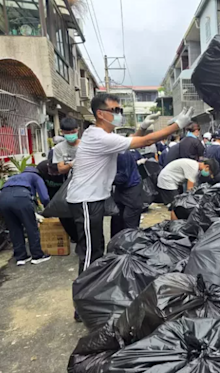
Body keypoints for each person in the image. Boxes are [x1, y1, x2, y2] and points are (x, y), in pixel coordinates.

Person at [66, 93, 193, 277]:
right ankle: (83, 296)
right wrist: (177, 126)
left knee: (97, 247)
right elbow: (146, 141)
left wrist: (142, 127)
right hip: (85, 199)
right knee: (90, 252)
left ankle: (93, 288)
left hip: (94, 199)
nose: (119, 114)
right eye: (114, 110)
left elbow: (130, 142)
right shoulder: (98, 137)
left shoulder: (104, 136)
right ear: (100, 114)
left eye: (120, 110)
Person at [0, 167, 51, 266]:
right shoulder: (35, 177)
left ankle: (21, 257)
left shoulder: (15, 177)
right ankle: (37, 256)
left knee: (14, 228)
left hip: (3, 198)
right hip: (21, 197)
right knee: (31, 226)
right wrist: (49, 209)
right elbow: (44, 197)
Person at [110, 149, 144, 237]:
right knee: (116, 218)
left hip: (131, 188)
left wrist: (105, 179)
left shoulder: (122, 154)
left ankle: (129, 246)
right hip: (121, 188)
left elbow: (123, 177)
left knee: (129, 219)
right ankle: (115, 245)